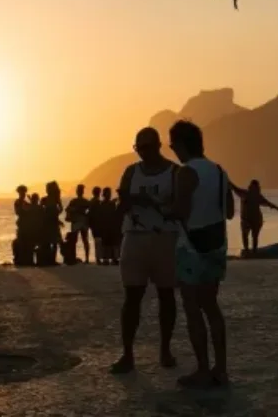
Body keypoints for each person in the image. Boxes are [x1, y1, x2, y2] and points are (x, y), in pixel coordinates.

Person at [170, 120, 234, 388]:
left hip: (191, 248)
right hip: (216, 246)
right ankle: (221, 369)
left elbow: (180, 212)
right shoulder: (219, 171)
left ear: (183, 145)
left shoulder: (186, 173)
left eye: (173, 145)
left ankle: (202, 370)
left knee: (192, 309)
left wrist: (165, 207)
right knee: (211, 307)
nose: (173, 150)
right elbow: (229, 211)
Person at [111, 127, 179, 374]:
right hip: (135, 237)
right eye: (138, 149)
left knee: (166, 295)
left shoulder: (174, 172)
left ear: (158, 146)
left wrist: (156, 204)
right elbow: (123, 203)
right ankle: (127, 354)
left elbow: (181, 206)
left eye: (146, 148)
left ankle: (165, 349)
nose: (142, 153)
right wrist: (130, 201)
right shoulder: (131, 171)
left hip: (165, 238)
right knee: (132, 297)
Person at [231, 179, 278, 254]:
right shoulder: (246, 193)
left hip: (256, 219)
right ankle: (247, 250)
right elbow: (235, 188)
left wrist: (277, 208)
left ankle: (253, 251)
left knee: (254, 236)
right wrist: (228, 182)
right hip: (246, 219)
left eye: (257, 187)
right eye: (255, 187)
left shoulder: (257, 195)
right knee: (246, 235)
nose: (256, 189)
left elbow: (267, 203)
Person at [66, 184, 92, 263]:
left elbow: (67, 209)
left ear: (77, 192)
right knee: (85, 240)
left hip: (76, 222)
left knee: (74, 241)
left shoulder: (74, 201)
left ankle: (73, 257)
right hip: (83, 221)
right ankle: (86, 258)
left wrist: (73, 211)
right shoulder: (85, 201)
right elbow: (90, 210)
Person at [98, 188, 120, 264]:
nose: (109, 195)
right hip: (107, 225)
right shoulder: (107, 204)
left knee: (109, 243)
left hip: (108, 225)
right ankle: (109, 259)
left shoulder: (105, 204)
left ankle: (110, 259)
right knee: (107, 243)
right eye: (108, 193)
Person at [87, 186, 104, 264]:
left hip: (94, 223)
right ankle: (98, 258)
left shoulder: (92, 202)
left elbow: (89, 213)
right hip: (97, 223)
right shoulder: (96, 202)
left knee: (97, 240)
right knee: (98, 241)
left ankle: (98, 258)